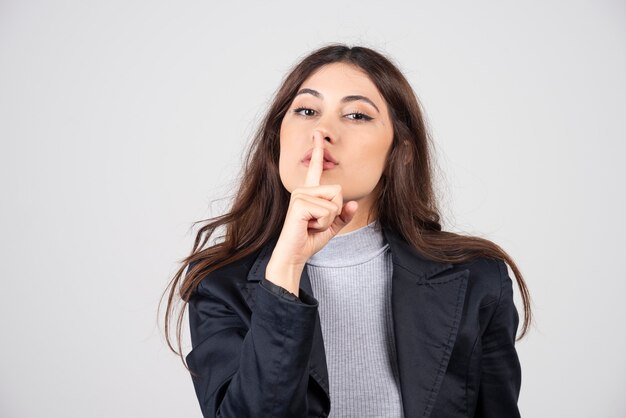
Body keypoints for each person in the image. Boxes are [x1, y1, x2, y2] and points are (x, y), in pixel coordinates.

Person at [160, 43, 533, 418]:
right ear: (277, 140)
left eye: (356, 115)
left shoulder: (475, 276)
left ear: (400, 152)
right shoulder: (219, 281)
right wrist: (285, 270)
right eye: (306, 110)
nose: (322, 130)